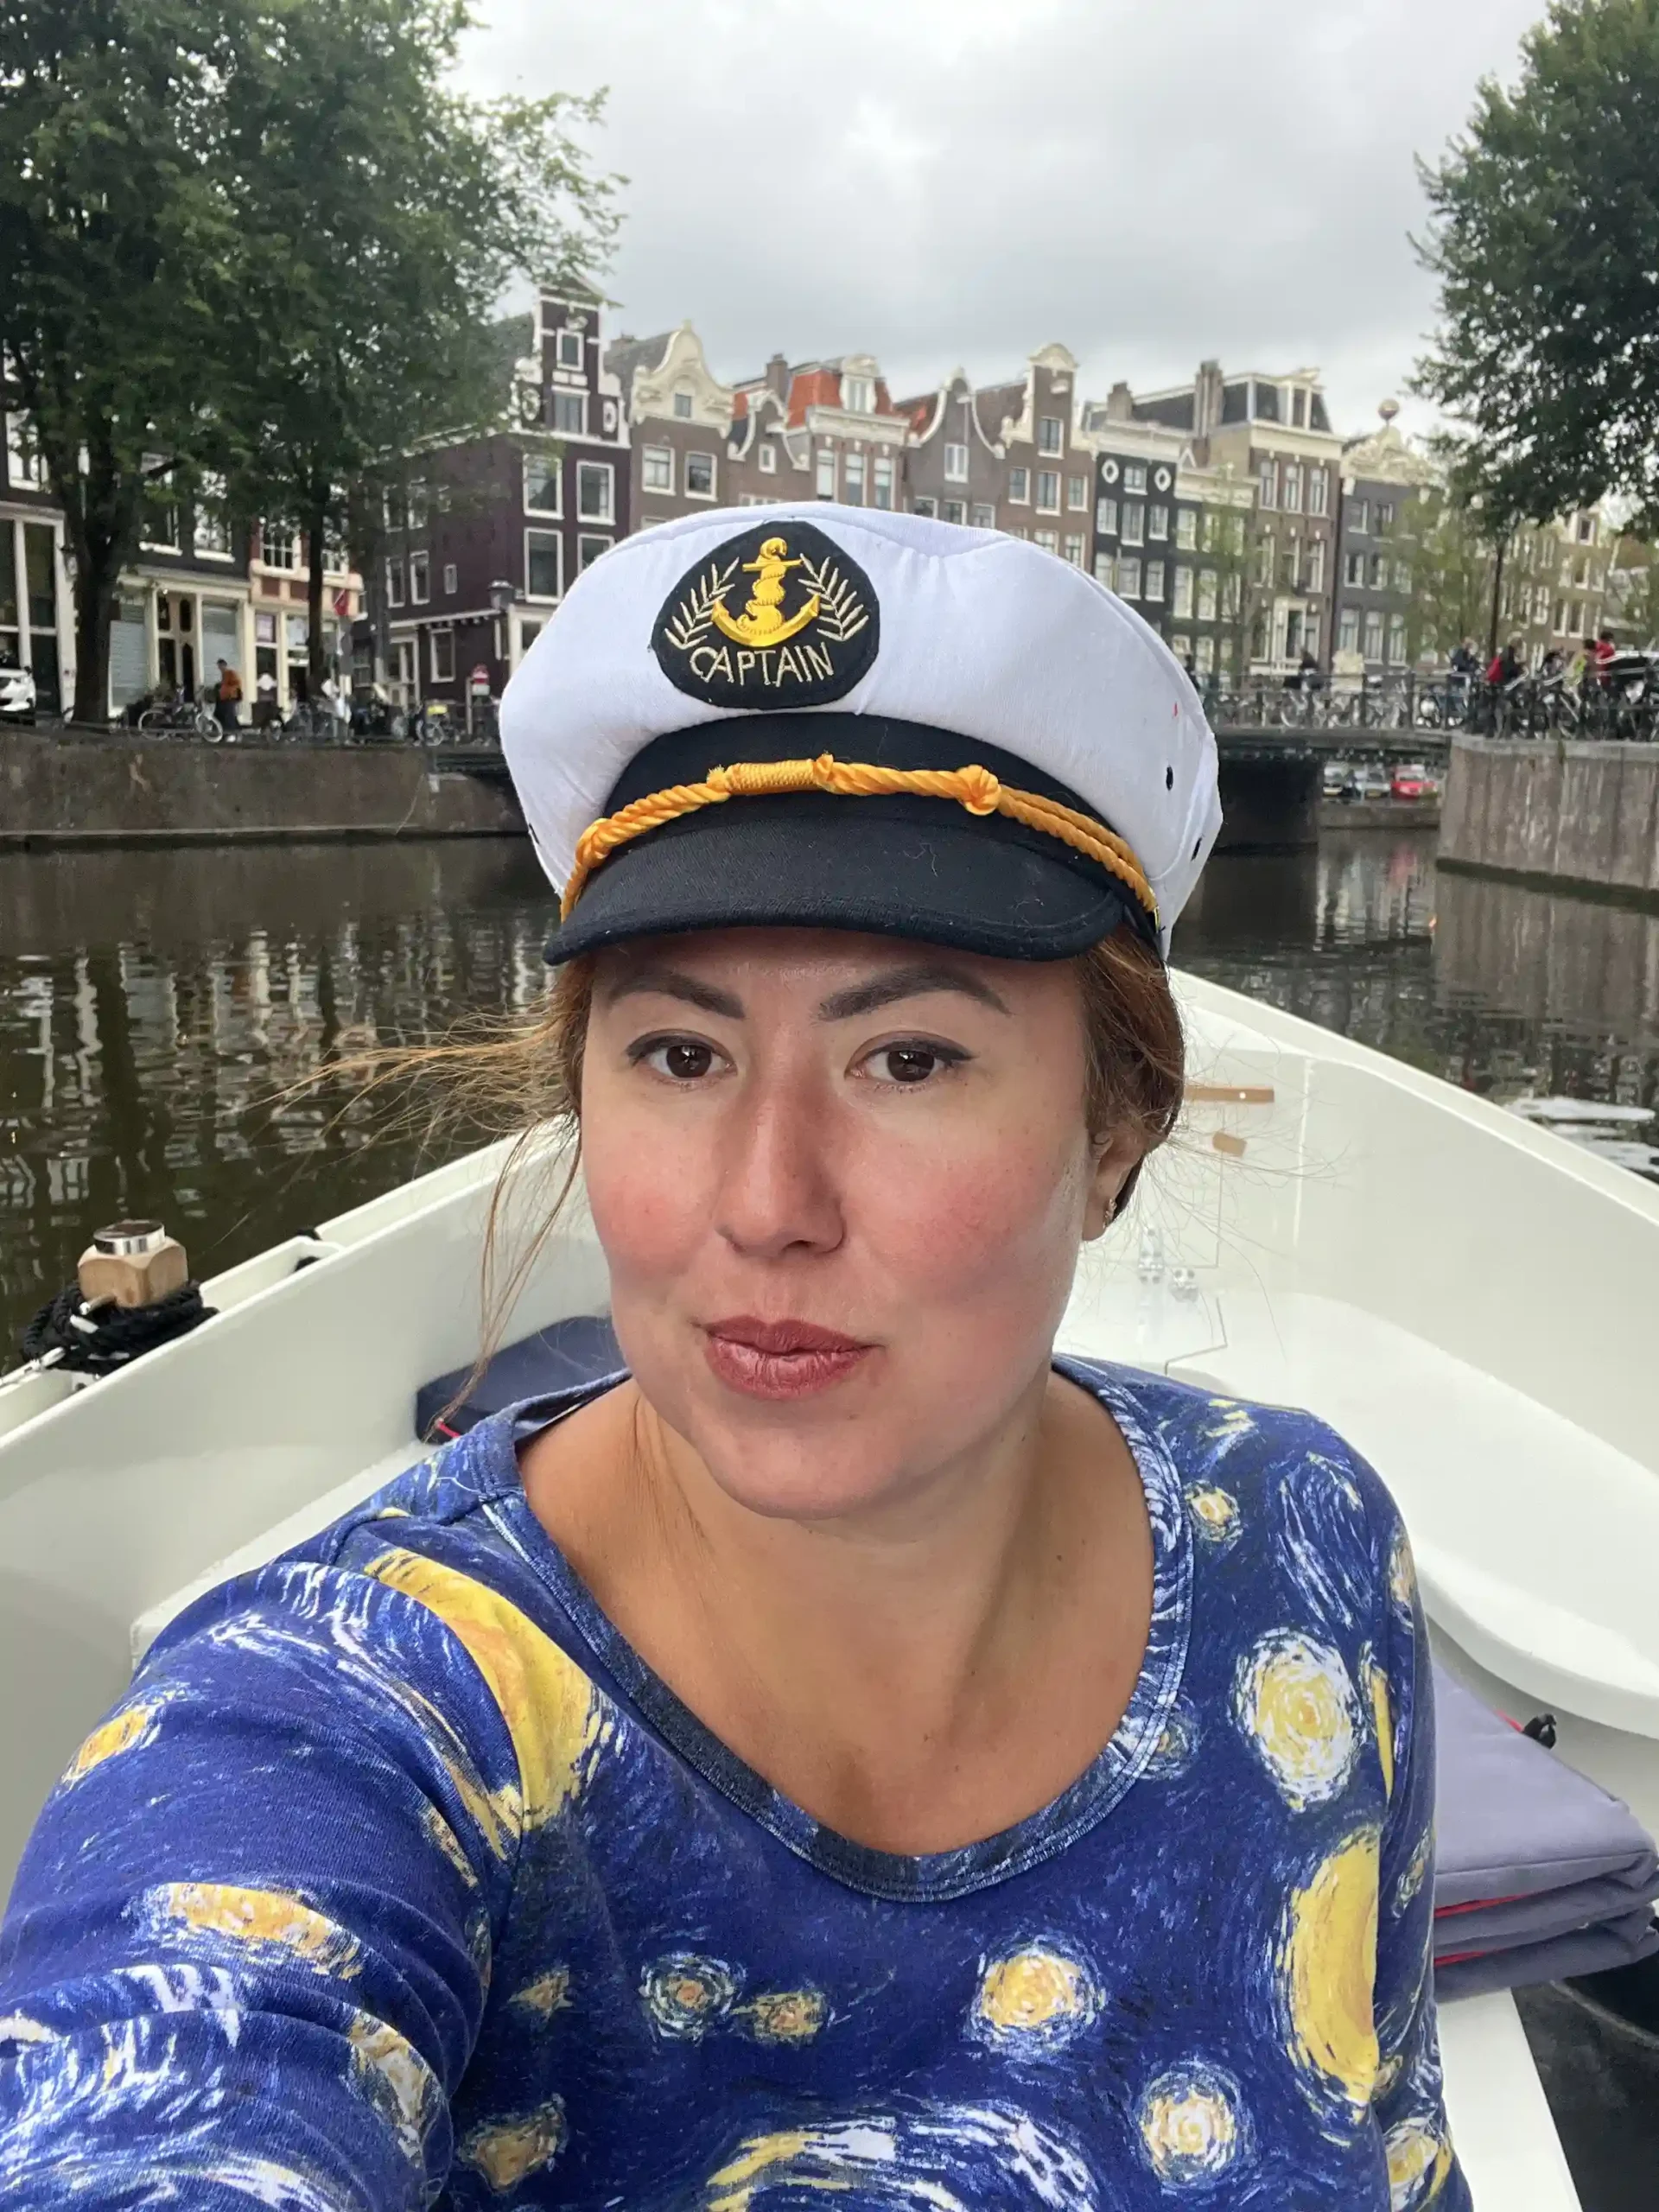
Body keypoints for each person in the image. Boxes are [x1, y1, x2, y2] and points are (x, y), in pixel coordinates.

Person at [0, 507, 1469, 2209]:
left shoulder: (1304, 1537)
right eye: (683, 1054)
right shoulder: (347, 1720)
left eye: (908, 1058)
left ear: (1116, 1129)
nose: (768, 1204)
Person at [213, 658, 242, 734]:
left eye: (221, 666)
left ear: (224, 665)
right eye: (219, 666)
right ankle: (225, 730)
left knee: (229, 714)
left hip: (230, 697)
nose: (220, 668)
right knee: (223, 713)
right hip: (223, 697)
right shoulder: (224, 675)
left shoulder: (231, 673)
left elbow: (237, 683)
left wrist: (229, 689)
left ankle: (232, 730)